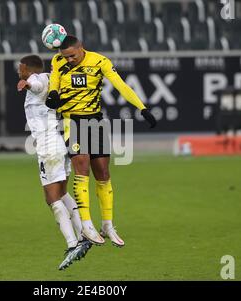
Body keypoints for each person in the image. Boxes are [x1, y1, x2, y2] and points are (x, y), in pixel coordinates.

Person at [46, 35, 157, 247]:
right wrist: (53, 94)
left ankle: (107, 224)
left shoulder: (99, 61)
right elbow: (54, 83)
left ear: (81, 48)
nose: (69, 60)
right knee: (82, 167)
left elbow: (121, 85)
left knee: (103, 174)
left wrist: (142, 108)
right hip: (72, 121)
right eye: (65, 56)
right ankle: (86, 224)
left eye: (72, 55)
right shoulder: (57, 61)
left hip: (95, 120)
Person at [17, 55, 92, 270]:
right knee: (61, 193)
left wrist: (28, 82)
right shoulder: (54, 77)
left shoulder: (38, 79)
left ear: (28, 70)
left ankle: (73, 243)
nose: (18, 72)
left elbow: (37, 84)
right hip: (60, 142)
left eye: (20, 69)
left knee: (51, 198)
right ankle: (85, 233)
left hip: (48, 146)